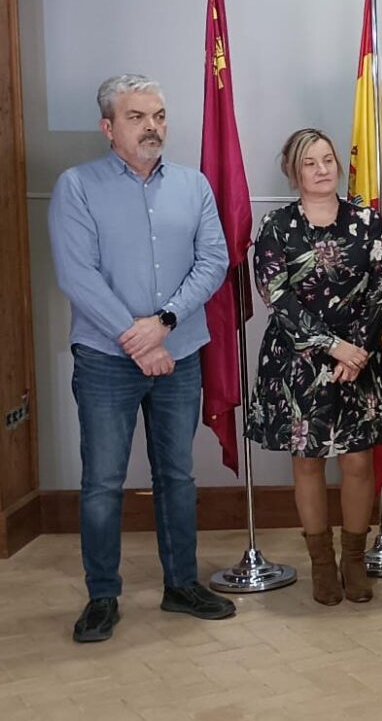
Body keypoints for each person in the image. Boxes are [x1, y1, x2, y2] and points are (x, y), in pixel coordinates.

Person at [49, 74, 235, 643]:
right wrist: (136, 338)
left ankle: (181, 585)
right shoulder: (77, 186)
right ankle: (102, 596)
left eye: (158, 115)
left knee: (177, 475)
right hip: (106, 359)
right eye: (136, 117)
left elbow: (213, 260)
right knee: (103, 482)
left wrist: (164, 324)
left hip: (179, 353)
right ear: (108, 127)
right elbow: (76, 273)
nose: (152, 126)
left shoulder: (194, 185)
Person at [245, 128, 382, 605]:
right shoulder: (276, 226)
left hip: (359, 359)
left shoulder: (367, 222)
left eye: (328, 159)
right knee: (307, 461)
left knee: (358, 461)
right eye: (309, 162)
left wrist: (357, 349)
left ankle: (353, 559)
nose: (322, 169)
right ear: (293, 172)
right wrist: (333, 346)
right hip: (298, 362)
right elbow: (276, 294)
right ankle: (322, 564)